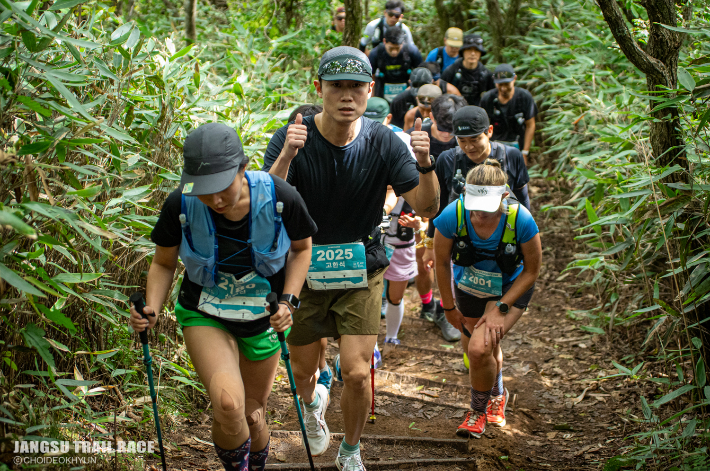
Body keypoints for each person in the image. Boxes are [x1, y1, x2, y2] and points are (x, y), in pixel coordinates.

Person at [262, 46, 439, 471]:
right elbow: (265, 205)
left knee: (357, 372)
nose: (346, 96)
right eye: (337, 86)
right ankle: (312, 402)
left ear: (370, 90)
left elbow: (427, 206)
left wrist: (426, 163)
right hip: (302, 270)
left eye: (356, 87)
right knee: (304, 372)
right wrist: (287, 155)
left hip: (363, 268)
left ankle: (352, 450)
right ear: (318, 88)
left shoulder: (383, 140)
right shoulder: (294, 134)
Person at [129, 123, 316, 471]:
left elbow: (302, 250)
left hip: (264, 319)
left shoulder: (280, 197)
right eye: (204, 190)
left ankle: (254, 463)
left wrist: (289, 300)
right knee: (229, 405)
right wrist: (151, 307)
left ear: (242, 168)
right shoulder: (181, 204)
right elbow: (163, 262)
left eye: (221, 187)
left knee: (253, 414)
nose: (214, 199)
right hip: (206, 313)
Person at [432, 159, 541, 438]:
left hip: (509, 288)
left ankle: (477, 413)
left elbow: (532, 271)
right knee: (481, 347)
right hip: (470, 285)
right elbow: (441, 262)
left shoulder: (521, 219)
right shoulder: (452, 214)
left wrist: (501, 307)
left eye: (487, 207)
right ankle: (497, 394)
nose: (479, 214)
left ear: (504, 196)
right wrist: (448, 306)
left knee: (479, 350)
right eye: (474, 206)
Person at [421, 106, 530, 346]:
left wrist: (525, 244)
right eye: (462, 140)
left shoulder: (511, 156)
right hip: (461, 243)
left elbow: (523, 201)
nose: (469, 147)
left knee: (489, 334)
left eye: (475, 139)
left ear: (489, 132)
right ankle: (479, 368)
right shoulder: (449, 159)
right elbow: (438, 207)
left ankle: (488, 373)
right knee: (471, 329)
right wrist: (430, 243)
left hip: (503, 246)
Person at [365, 96, 427, 354]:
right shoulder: (352, 134)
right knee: (367, 290)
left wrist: (419, 221)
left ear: (389, 119)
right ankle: (370, 346)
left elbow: (411, 182)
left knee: (396, 288)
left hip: (399, 222)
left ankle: (391, 337)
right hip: (369, 223)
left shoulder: (403, 142)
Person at [286, 104, 339, 398]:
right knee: (307, 314)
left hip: (328, 248)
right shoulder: (289, 156)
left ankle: (325, 366)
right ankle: (320, 368)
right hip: (299, 249)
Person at [404, 94, 466, 331]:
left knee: (451, 262)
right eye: (442, 128)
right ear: (431, 117)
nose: (447, 135)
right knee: (424, 261)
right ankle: (428, 303)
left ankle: (447, 306)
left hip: (453, 206)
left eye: (453, 130)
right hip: (421, 203)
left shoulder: (465, 139)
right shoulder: (416, 137)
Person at [480, 64, 538, 165]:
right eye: (500, 84)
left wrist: (525, 152)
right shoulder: (488, 98)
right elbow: (481, 124)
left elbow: (530, 124)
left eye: (506, 84)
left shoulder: (524, 97)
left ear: (514, 79)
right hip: (494, 144)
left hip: (517, 143)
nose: (503, 88)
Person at [368, 25, 422, 102]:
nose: (394, 52)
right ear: (384, 42)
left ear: (402, 43)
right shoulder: (375, 53)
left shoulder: (412, 52)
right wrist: (371, 97)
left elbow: (421, 73)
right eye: (391, 48)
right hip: (383, 88)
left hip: (406, 88)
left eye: (397, 48)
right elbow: (370, 76)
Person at [440, 34, 494, 107]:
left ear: (480, 53)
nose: (472, 53)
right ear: (463, 51)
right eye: (469, 49)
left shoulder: (486, 74)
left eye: (476, 50)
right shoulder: (451, 71)